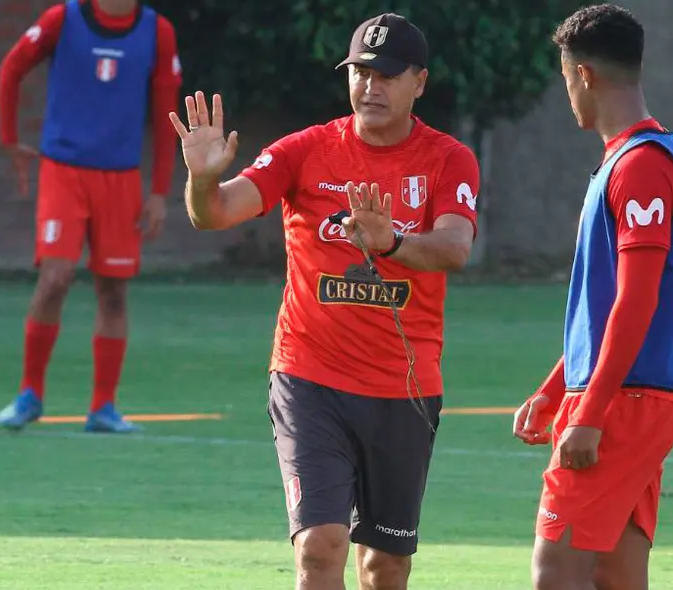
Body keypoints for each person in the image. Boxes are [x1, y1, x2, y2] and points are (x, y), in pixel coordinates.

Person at [169, 13, 479, 590]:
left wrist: (390, 242)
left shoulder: (447, 159)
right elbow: (211, 213)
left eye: (387, 75)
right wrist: (204, 180)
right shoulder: (305, 150)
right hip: (309, 378)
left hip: (403, 386)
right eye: (360, 72)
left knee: (385, 566)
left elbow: (456, 247)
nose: (371, 86)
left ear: (420, 82)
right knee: (319, 547)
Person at [512, 5, 673, 589]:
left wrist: (588, 412)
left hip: (625, 401)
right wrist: (554, 389)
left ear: (586, 74)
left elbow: (636, 302)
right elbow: (608, 308)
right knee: (612, 571)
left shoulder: (640, 165)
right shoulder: (636, 157)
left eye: (566, 77)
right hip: (631, 395)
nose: (567, 90)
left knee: (556, 572)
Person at [0, 0, 182, 434]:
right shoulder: (63, 19)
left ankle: (103, 407)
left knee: (113, 291)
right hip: (64, 172)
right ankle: (29, 394)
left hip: (121, 179)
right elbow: (11, 69)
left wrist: (158, 192)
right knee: (56, 277)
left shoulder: (158, 31)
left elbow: (165, 113)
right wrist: (8, 139)